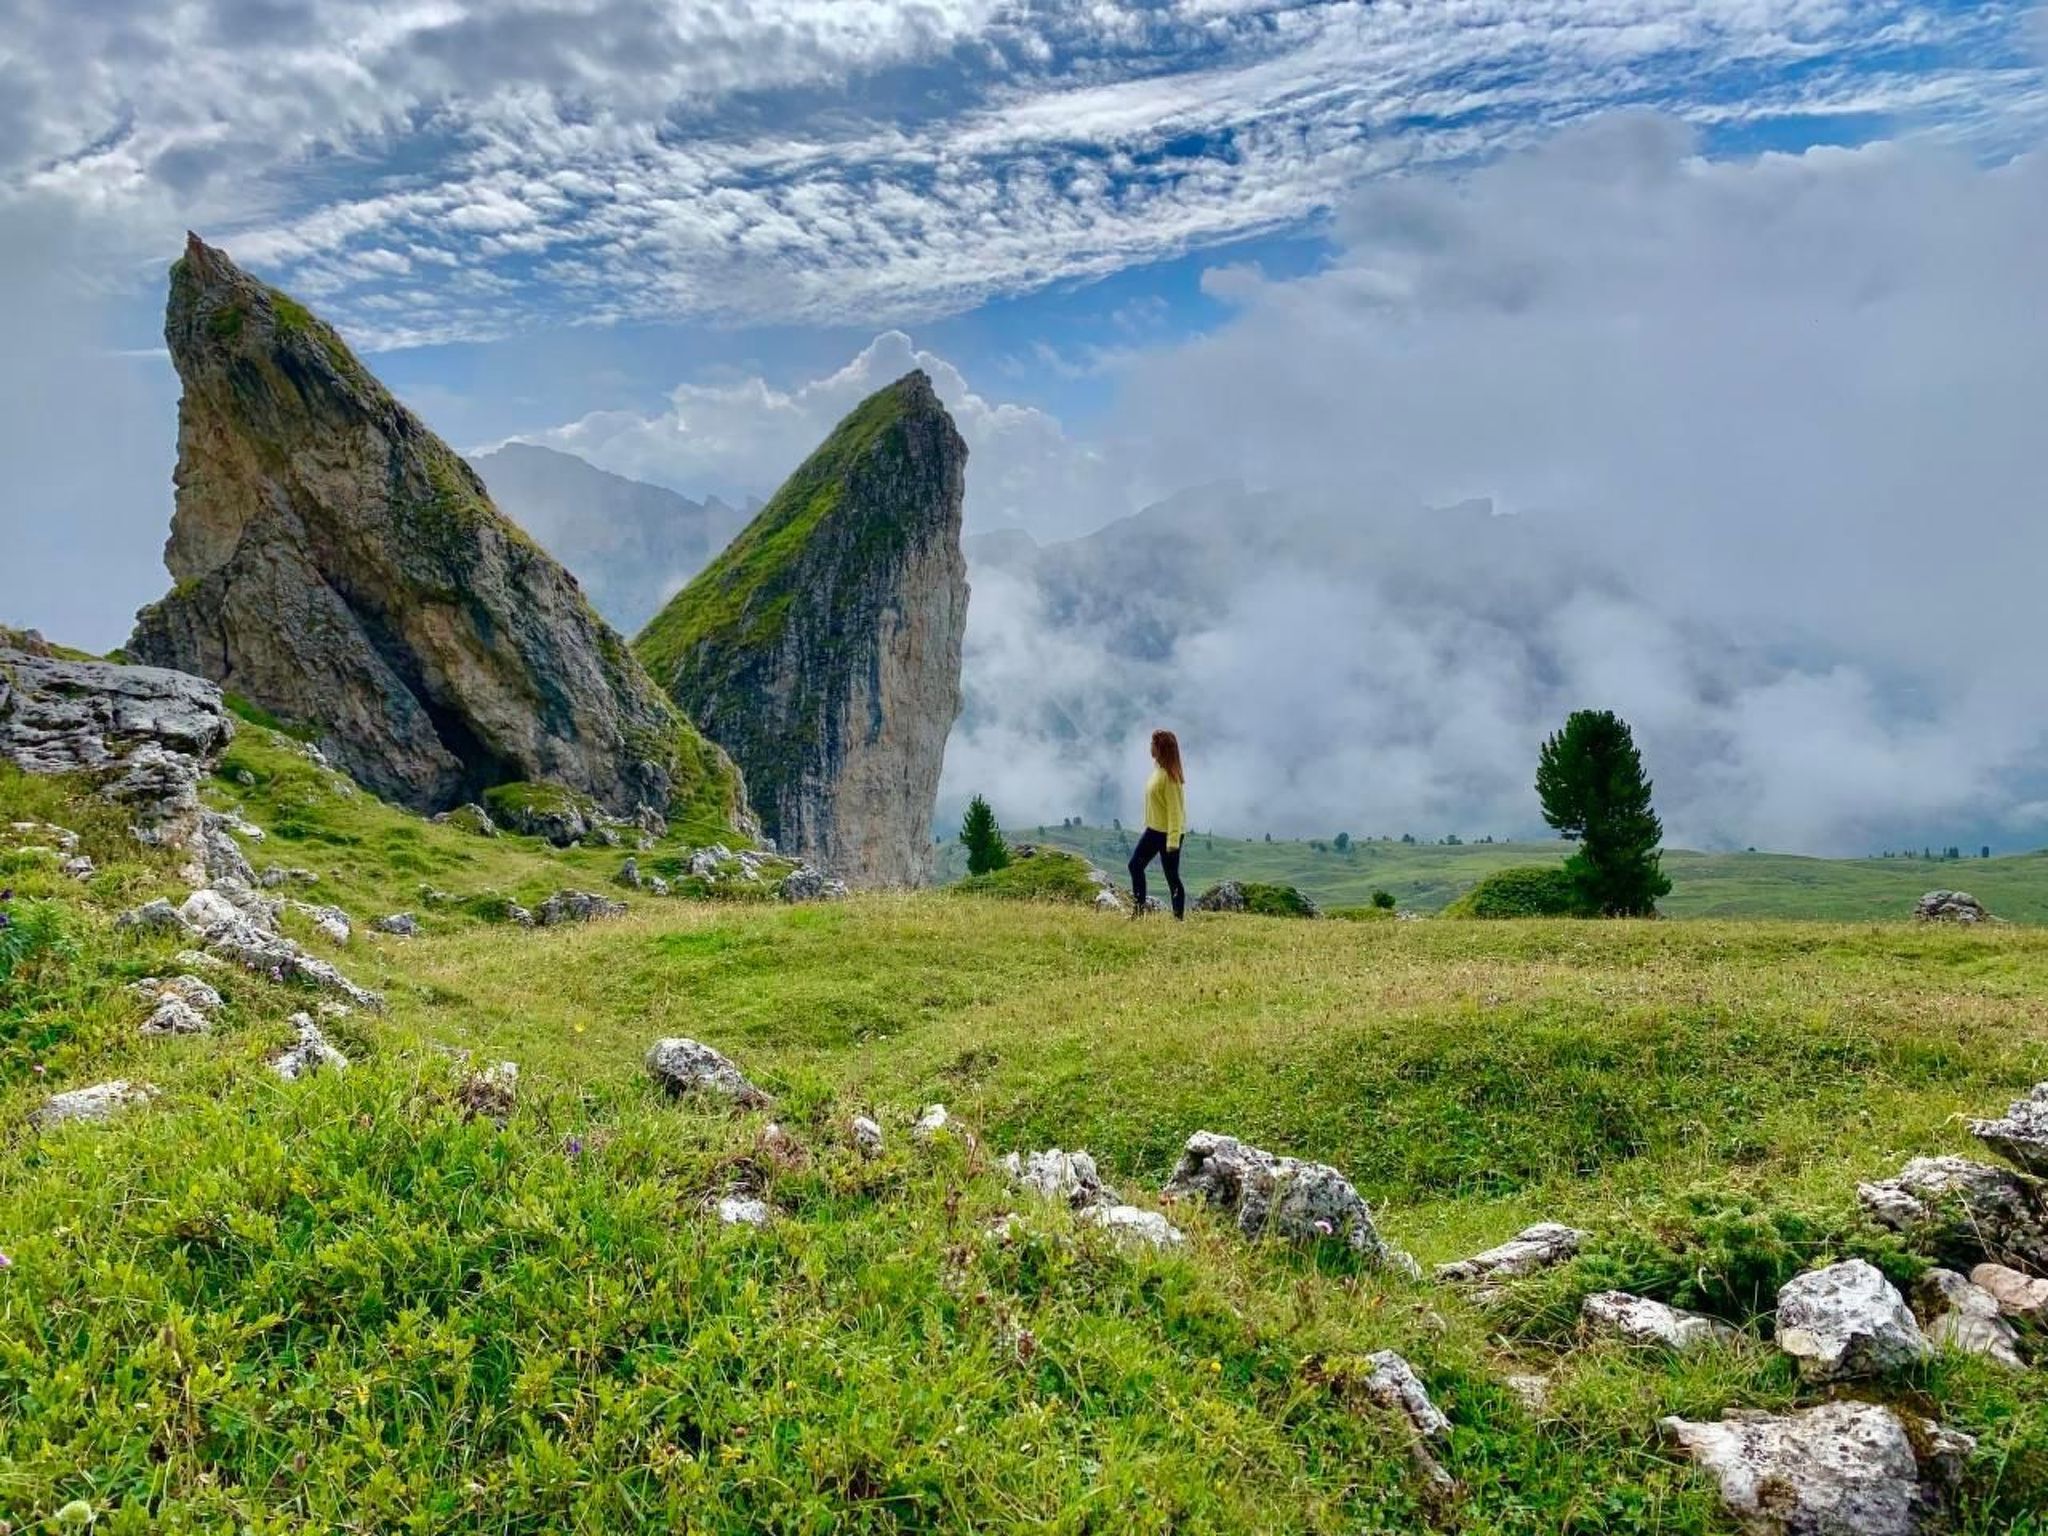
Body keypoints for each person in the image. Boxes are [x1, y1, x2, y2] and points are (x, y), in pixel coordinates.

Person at [1129, 729, 1187, 919]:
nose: (1150, 747)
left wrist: (1172, 841)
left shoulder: (1170, 777)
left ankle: (1178, 918)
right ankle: (1138, 911)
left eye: (1152, 744)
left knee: (1171, 877)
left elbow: (1175, 811)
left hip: (1168, 834)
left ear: (1160, 748)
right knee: (1135, 865)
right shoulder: (1159, 770)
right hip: (1154, 830)